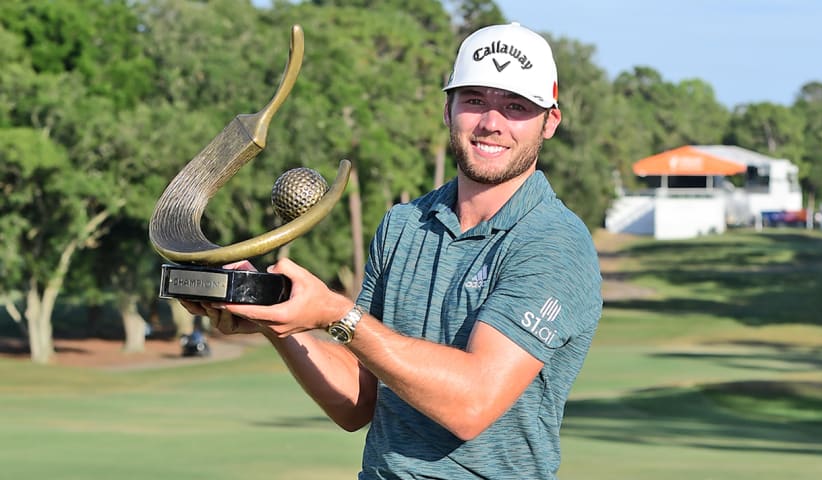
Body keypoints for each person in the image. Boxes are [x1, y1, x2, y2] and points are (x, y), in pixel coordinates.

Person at [182, 22, 602, 479]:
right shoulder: (404, 225)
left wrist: (337, 315)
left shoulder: (554, 242)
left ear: (550, 122)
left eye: (515, 106)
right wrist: (276, 314)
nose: (491, 123)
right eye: (475, 99)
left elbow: (472, 403)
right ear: (448, 109)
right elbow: (357, 402)